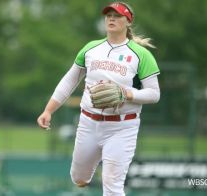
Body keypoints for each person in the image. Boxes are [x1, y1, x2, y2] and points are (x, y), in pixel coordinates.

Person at [37, 2, 160, 195]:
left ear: (128, 21)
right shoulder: (91, 49)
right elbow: (69, 81)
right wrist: (48, 110)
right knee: (78, 177)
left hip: (122, 127)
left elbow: (154, 94)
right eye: (108, 15)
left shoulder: (141, 55)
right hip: (88, 123)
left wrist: (127, 93)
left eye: (117, 15)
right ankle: (83, 177)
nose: (111, 18)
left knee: (112, 185)